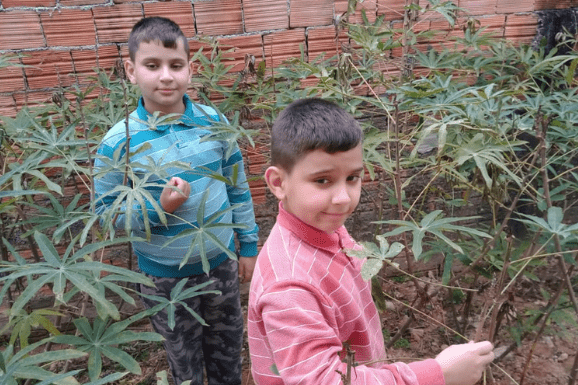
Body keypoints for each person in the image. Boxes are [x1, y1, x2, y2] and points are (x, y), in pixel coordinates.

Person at [247, 98, 494, 385]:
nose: (343, 197)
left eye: (352, 178)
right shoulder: (288, 286)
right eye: (323, 181)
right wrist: (438, 374)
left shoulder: (325, 227)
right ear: (278, 183)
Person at [93, 16, 259, 385]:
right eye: (152, 66)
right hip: (164, 277)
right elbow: (105, 214)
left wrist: (248, 244)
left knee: (228, 349)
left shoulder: (214, 121)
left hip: (221, 262)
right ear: (130, 71)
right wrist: (158, 208)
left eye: (175, 65)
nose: (166, 76)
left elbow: (237, 186)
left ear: (190, 69)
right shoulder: (119, 141)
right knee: (183, 361)